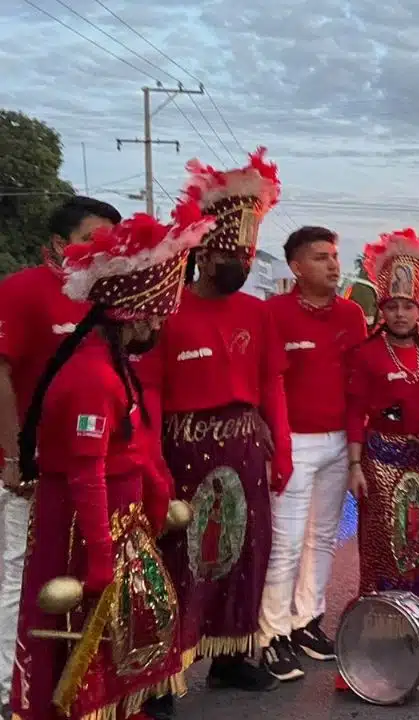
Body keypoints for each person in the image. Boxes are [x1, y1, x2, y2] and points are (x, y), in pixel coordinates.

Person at [10, 204, 212, 720]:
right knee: (85, 637)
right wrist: (100, 557)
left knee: (126, 629)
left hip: (117, 519)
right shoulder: (92, 378)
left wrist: (157, 491)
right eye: (159, 316)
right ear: (137, 314)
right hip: (85, 525)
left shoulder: (112, 365)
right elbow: (85, 473)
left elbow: (136, 446)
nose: (162, 326)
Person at [137, 148, 289, 695]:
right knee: (182, 557)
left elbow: (272, 382)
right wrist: (152, 461)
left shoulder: (257, 312)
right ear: (203, 256)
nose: (241, 268)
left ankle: (232, 657)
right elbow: (150, 390)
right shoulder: (169, 309)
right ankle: (164, 676)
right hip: (184, 447)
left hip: (245, 445)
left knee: (248, 553)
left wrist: (283, 449)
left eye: (246, 258)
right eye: (231, 258)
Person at [0, 196, 120, 716]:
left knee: (68, 579)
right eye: (94, 237)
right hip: (28, 472)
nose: (105, 249)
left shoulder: (109, 297)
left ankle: (63, 686)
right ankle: (8, 690)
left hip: (89, 470)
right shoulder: (22, 291)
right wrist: (11, 456)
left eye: (113, 240)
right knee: (15, 578)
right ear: (57, 243)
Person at [256, 226, 368, 681]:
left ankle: (307, 620)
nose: (333, 264)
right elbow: (269, 384)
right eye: (321, 257)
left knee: (322, 536)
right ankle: (272, 635)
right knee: (284, 542)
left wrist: (357, 452)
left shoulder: (352, 315)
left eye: (335, 256)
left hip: (339, 442)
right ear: (296, 268)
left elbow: (359, 387)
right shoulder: (274, 314)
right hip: (294, 444)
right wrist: (277, 446)